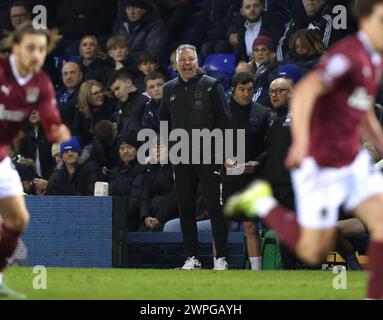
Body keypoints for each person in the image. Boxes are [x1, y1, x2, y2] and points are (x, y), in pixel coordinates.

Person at [225, 0, 383, 299]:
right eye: (271, 91)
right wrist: (255, 166)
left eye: (281, 90)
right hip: (279, 185)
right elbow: (272, 151)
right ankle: (293, 280)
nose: (275, 95)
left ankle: (333, 269)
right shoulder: (273, 119)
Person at [0, 22, 71, 298]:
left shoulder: (40, 82)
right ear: (16, 48)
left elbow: (51, 120)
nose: (37, 54)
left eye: (42, 49)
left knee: (17, 220)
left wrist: (59, 130)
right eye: (31, 48)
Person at [159, 44, 231, 270]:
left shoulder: (211, 86)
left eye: (191, 59)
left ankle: (220, 258)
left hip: (209, 155)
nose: (187, 63)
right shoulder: (168, 89)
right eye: (183, 60)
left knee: (215, 207)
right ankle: (192, 258)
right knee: (185, 207)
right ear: (175, 64)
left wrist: (223, 152)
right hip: (181, 157)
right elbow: (162, 120)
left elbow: (224, 120)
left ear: (197, 61)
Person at [223, 72, 268, 270]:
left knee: (250, 225)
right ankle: (219, 264)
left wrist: (257, 163)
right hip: (226, 175)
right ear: (233, 89)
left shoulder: (261, 112)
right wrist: (222, 160)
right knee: (222, 225)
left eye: (250, 90)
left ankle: (256, 271)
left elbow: (268, 146)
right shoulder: (221, 111)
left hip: (251, 176)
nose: (246, 93)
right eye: (242, 89)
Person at [56, 62, 83, 128]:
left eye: (72, 73)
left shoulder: (84, 93)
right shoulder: (56, 94)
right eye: (65, 74)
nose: (69, 77)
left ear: (80, 75)